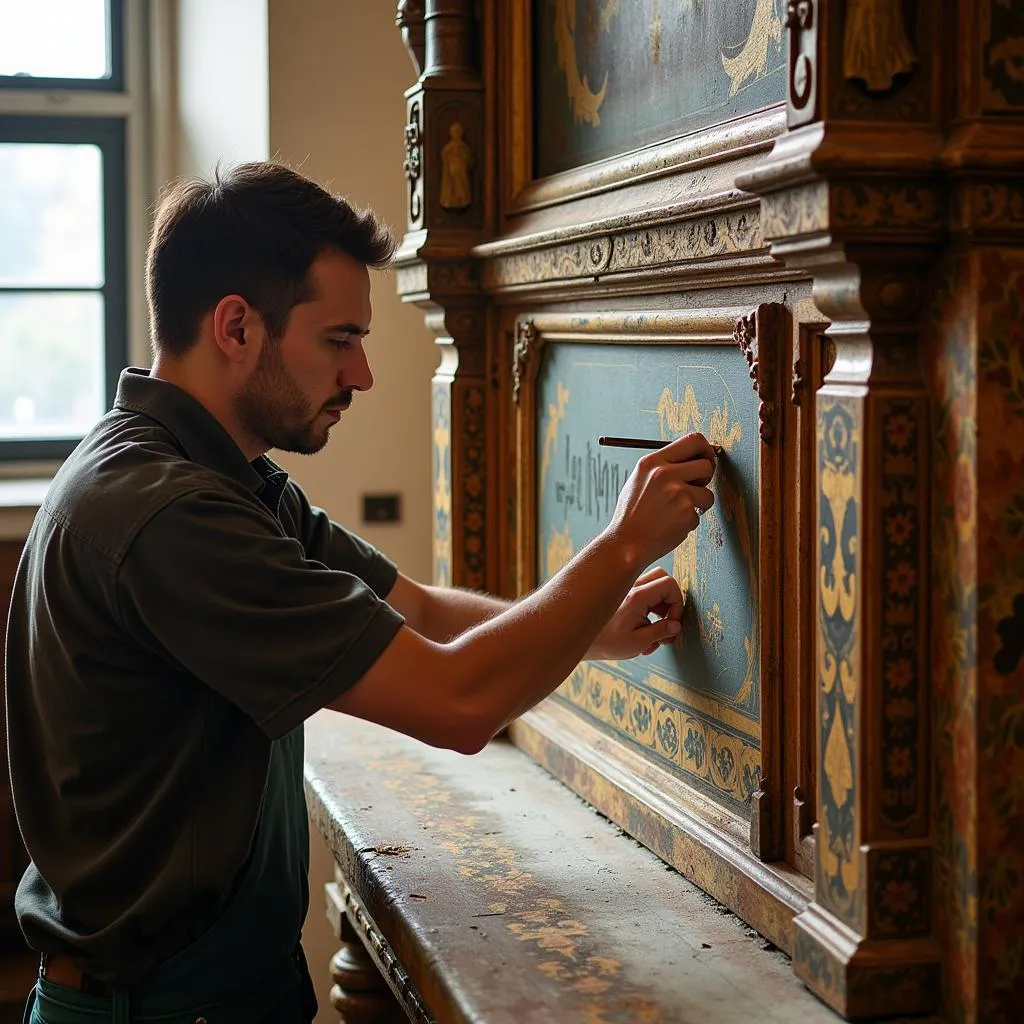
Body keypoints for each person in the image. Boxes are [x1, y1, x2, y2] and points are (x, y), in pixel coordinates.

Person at [5, 161, 717, 1024]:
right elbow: (457, 704)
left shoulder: (222, 476)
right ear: (236, 326)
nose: (364, 375)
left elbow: (414, 608)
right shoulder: (172, 514)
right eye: (340, 339)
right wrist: (622, 544)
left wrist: (594, 626)